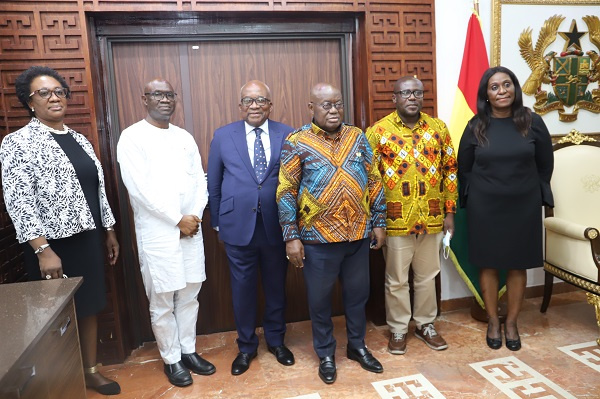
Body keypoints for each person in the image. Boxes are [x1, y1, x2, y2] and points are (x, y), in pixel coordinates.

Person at [0, 66, 121, 395]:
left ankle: (91, 371)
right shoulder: (17, 143)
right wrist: (43, 249)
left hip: (88, 238)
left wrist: (108, 230)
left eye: (59, 91)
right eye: (44, 93)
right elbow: (19, 201)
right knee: (56, 317)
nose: (54, 97)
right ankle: (64, 379)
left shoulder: (79, 138)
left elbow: (97, 190)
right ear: (29, 102)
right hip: (52, 246)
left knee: (91, 304)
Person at [277, 83, 386, 384]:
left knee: (357, 296)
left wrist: (379, 221)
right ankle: (325, 353)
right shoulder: (296, 141)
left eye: (337, 103)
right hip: (317, 239)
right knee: (320, 300)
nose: (334, 109)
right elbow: (286, 190)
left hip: (357, 237)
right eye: (326, 105)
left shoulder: (357, 137)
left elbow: (374, 180)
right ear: (311, 107)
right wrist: (291, 236)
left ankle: (357, 346)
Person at [117, 78, 215, 387]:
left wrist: (194, 216)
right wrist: (177, 219)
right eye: (158, 94)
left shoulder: (184, 137)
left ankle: (189, 351)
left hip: (191, 230)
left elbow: (201, 180)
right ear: (144, 98)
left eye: (169, 94)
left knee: (189, 295)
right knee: (161, 300)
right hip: (159, 234)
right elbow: (139, 190)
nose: (165, 99)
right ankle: (171, 359)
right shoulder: (131, 137)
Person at [457, 66, 554, 351]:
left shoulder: (532, 121)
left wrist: (533, 193)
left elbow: (545, 164)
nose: (502, 91)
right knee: (487, 263)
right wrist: (475, 195)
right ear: (486, 94)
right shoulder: (476, 125)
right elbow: (465, 167)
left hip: (522, 204)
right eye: (494, 87)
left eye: (507, 84)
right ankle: (493, 320)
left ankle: (511, 322)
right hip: (485, 205)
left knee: (516, 263)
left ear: (515, 88)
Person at [207, 80, 295, 375]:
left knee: (275, 287)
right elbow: (214, 183)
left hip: (275, 224)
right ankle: (246, 347)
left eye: (260, 100)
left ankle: (276, 341)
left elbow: (295, 180)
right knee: (242, 290)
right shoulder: (223, 136)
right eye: (248, 100)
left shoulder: (288, 134)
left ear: (270, 104)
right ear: (240, 105)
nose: (254, 105)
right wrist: (218, 223)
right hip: (236, 226)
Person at [365, 76, 457, 355]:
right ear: (394, 98)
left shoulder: (439, 128)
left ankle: (426, 324)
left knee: (427, 276)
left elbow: (450, 171)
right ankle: (398, 328)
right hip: (395, 222)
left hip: (431, 218)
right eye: (406, 93)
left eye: (417, 92)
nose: (412, 97)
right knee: (396, 279)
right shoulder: (378, 132)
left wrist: (449, 212)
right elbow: (370, 178)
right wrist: (376, 221)